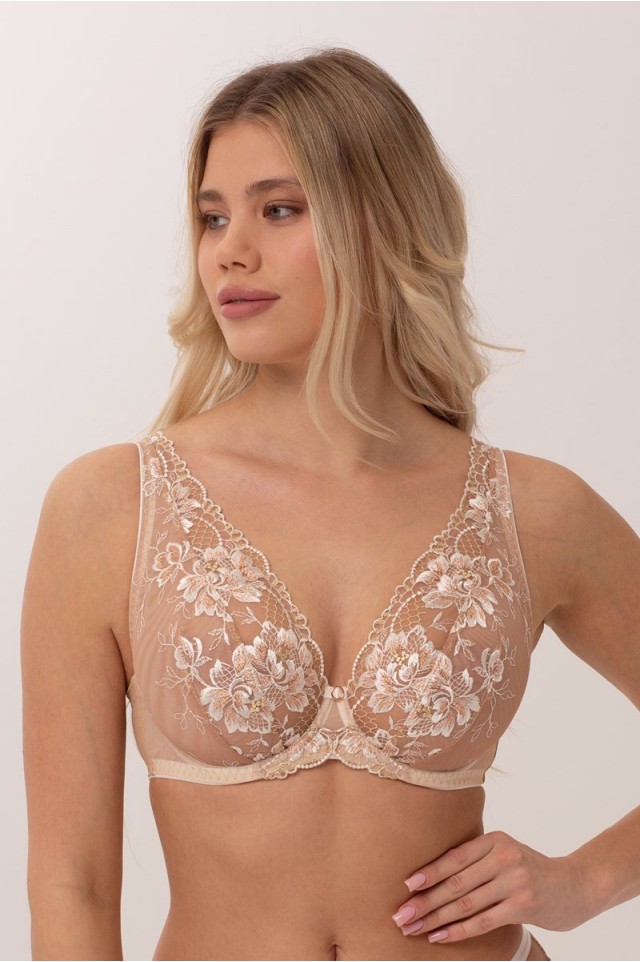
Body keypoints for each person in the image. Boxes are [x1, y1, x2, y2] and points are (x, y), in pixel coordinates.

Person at [21, 46, 639, 962]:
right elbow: (70, 880)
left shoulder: (535, 511)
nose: (230, 250)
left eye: (279, 209)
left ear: (382, 221)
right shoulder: (113, 507)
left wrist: (585, 883)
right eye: (212, 216)